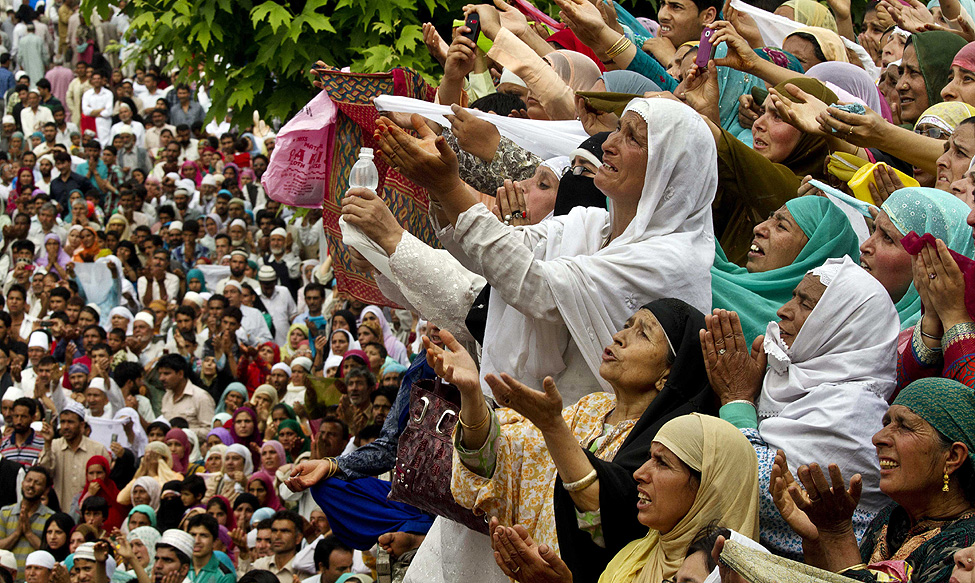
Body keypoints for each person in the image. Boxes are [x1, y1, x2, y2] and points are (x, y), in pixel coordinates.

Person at [489, 414, 758, 583]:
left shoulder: (729, 576)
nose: (640, 473)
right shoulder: (632, 557)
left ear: (710, 487)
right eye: (648, 458)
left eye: (662, 463)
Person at [772, 377, 975, 582]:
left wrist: (837, 535)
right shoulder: (892, 518)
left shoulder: (966, 547)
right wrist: (820, 538)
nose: (877, 438)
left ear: (952, 457)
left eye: (904, 427)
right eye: (886, 423)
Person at [711, 196, 861, 343]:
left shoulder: (787, 331)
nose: (759, 228)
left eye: (781, 226)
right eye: (769, 218)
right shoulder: (726, 275)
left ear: (812, 254)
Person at [37, 402, 110, 504]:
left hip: (90, 513)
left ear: (82, 425)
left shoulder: (98, 449)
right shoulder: (53, 446)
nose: (66, 426)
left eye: (70, 422)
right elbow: (45, 474)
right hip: (61, 512)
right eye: (63, 422)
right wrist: (47, 443)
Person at [0, 466, 54, 579]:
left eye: (37, 483)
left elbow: (50, 553)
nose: (31, 485)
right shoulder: (5, 513)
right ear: (22, 482)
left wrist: (29, 533)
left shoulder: (51, 517)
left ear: (46, 490)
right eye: (28, 480)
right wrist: (17, 533)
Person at [158, 353, 216, 442]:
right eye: (160, 374)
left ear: (180, 374)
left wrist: (181, 432)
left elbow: (210, 432)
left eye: (166, 373)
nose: (161, 378)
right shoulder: (166, 397)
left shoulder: (201, 397)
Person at [247, 510, 309, 583]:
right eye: (274, 531)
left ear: (298, 538)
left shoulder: (304, 570)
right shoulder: (259, 566)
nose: (277, 536)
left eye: (285, 531)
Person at [186, 513, 237, 583]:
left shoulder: (224, 576)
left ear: (214, 542)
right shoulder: (179, 568)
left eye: (203, 535)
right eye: (193, 535)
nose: (197, 541)